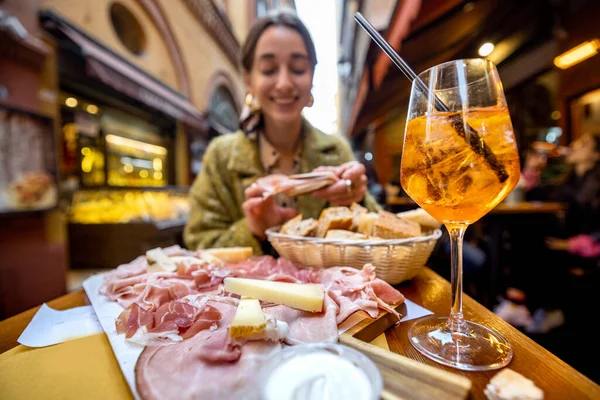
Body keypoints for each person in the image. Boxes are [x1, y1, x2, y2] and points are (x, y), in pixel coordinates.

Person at [184, 9, 380, 255]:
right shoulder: (220, 157)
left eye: (298, 68)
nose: (285, 83)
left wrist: (357, 197)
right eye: (268, 69)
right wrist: (253, 229)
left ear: (312, 76)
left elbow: (376, 237)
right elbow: (198, 244)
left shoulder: (336, 150)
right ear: (248, 80)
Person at [495, 133, 600, 333]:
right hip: (558, 242)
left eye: (584, 143)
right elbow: (536, 195)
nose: (575, 145)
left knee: (532, 242)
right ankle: (529, 306)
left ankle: (526, 305)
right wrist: (532, 169)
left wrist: (572, 244)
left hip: (584, 251)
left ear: (596, 155)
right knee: (525, 233)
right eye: (576, 141)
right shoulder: (567, 181)